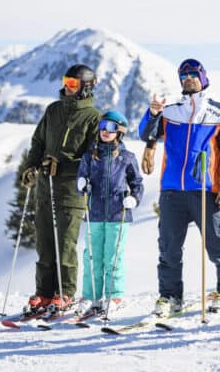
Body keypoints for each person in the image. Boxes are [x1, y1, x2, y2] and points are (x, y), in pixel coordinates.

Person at [138, 58, 220, 316]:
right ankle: (171, 297)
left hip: (206, 190)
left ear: (203, 77)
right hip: (172, 190)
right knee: (169, 248)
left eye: (193, 74)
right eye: (183, 74)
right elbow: (146, 134)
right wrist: (152, 115)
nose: (188, 78)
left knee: (217, 244)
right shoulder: (170, 111)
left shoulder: (219, 113)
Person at [20, 64, 101, 313]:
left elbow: (93, 157)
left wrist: (64, 166)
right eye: (66, 81)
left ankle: (65, 293)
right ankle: (44, 293)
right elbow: (38, 141)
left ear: (85, 87)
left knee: (64, 243)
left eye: (73, 84)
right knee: (44, 242)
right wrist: (32, 167)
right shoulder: (53, 110)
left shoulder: (93, 117)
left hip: (70, 189)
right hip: (45, 185)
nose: (67, 87)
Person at [75, 110, 143, 314]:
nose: (105, 131)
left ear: (119, 132)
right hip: (94, 212)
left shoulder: (126, 158)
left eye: (111, 127)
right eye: (103, 125)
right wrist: (82, 184)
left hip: (118, 214)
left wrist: (134, 198)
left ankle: (114, 296)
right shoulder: (90, 156)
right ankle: (91, 296)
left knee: (113, 256)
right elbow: (82, 177)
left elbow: (137, 183)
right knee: (92, 257)